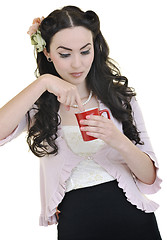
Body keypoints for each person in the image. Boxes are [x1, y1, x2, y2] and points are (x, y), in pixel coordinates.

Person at [0, 5, 162, 240]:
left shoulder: (118, 97)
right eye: (65, 54)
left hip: (133, 216)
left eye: (85, 51)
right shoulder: (39, 106)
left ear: (95, 48)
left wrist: (119, 140)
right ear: (47, 53)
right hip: (77, 221)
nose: (77, 64)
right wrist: (43, 82)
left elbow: (149, 177)